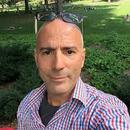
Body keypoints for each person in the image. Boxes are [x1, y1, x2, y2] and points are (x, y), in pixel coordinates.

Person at [17, 18, 130, 129]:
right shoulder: (27, 104)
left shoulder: (107, 112)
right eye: (47, 52)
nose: (58, 65)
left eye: (69, 52)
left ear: (82, 58)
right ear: (36, 59)